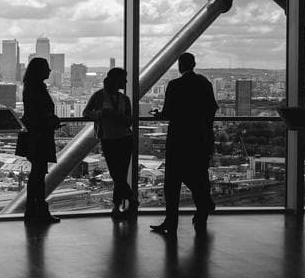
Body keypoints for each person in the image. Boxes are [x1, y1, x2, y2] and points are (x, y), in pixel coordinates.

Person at [150, 53, 218, 236]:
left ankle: (171, 221)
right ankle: (203, 210)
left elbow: (169, 113)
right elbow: (212, 109)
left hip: (178, 139)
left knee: (172, 183)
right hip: (199, 139)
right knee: (198, 177)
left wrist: (159, 115)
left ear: (180, 66)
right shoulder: (205, 84)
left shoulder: (175, 85)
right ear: (194, 64)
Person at [83, 68, 137, 219]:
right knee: (116, 174)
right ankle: (130, 200)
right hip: (110, 138)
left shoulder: (124, 99)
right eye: (123, 79)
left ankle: (117, 207)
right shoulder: (99, 96)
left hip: (123, 138)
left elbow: (129, 121)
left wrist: (116, 115)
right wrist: (101, 114)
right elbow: (86, 112)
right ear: (116, 80)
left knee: (119, 174)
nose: (126, 82)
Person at [16, 57, 62, 224]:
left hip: (34, 136)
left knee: (37, 174)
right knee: (38, 175)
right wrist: (51, 120)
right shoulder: (37, 89)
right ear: (40, 71)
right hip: (39, 136)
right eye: (47, 68)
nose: (49, 71)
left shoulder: (31, 88)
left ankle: (33, 210)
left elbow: (34, 113)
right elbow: (39, 113)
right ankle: (38, 211)